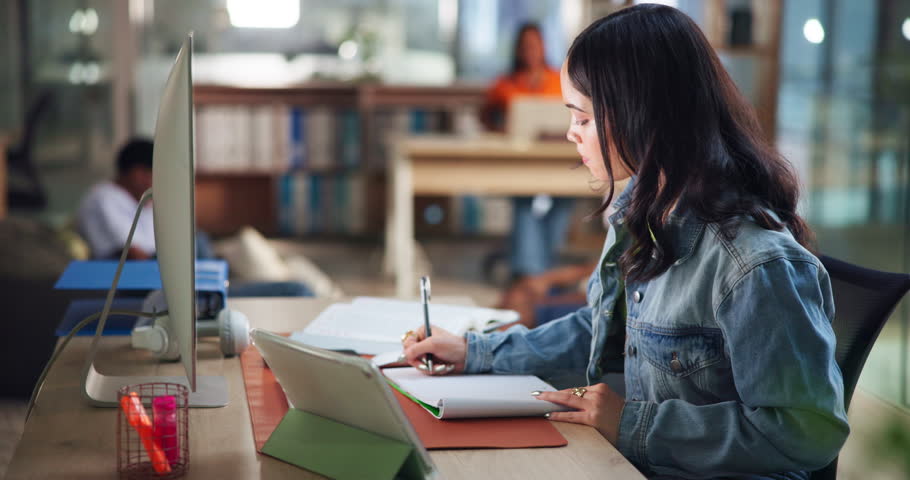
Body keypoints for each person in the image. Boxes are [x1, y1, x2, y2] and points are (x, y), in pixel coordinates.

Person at [403, 5, 848, 478]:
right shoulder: (645, 215)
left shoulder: (755, 266)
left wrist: (632, 423)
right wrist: (477, 352)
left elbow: (806, 434)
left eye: (583, 119)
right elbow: (599, 331)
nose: (571, 134)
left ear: (642, 117)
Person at [78, 138, 311, 297]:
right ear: (139, 174)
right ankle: (217, 287)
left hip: (173, 277)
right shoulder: (104, 198)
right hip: (154, 282)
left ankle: (219, 282)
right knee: (296, 290)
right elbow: (135, 255)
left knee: (200, 241)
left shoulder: (138, 200)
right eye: (157, 174)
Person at [482, 22, 575, 280]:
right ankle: (533, 275)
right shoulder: (504, 84)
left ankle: (536, 271)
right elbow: (486, 117)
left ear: (544, 46)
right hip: (519, 158)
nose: (530, 50)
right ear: (518, 50)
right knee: (524, 203)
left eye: (535, 44)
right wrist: (500, 131)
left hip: (557, 158)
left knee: (563, 200)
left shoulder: (560, 79)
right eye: (525, 46)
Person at [78, 139, 157, 260]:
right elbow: (134, 253)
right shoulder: (104, 198)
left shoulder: (141, 199)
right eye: (150, 172)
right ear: (137, 172)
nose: (153, 179)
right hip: (115, 270)